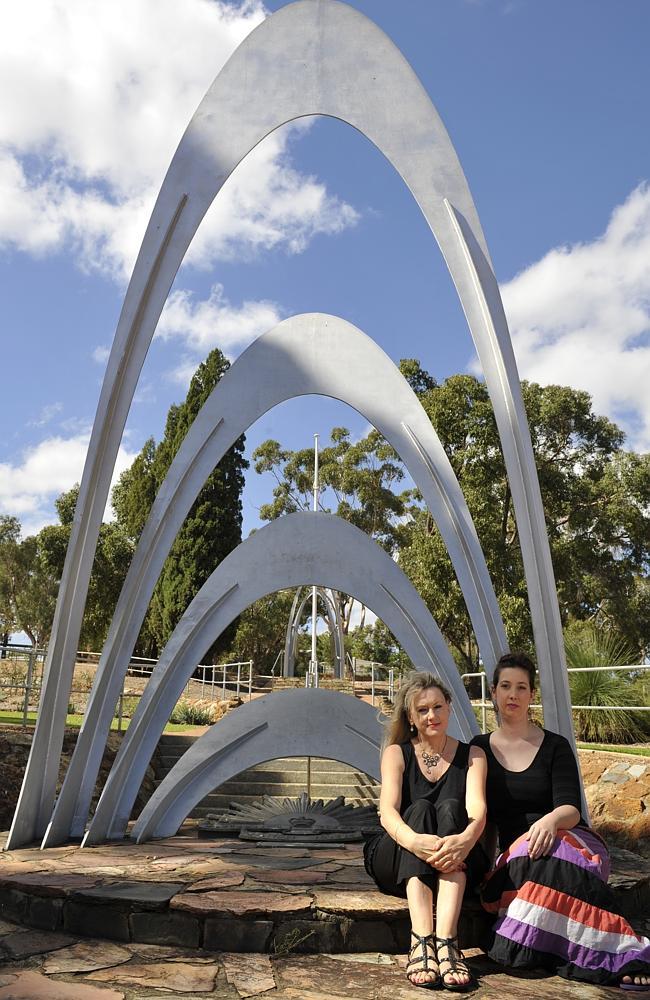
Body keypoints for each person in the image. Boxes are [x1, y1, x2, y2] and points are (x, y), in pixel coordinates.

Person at [472, 651, 650, 991]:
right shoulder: (478, 749)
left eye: (521, 687)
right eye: (506, 686)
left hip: (569, 837)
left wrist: (550, 822)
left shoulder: (555, 745)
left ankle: (623, 954)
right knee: (532, 858)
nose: (513, 694)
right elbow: (480, 816)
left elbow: (570, 808)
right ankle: (573, 948)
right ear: (493, 691)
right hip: (518, 852)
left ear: (532, 695)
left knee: (556, 859)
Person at [364, 670, 489, 991]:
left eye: (437, 707)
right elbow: (388, 813)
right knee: (419, 809)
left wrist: (463, 842)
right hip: (398, 854)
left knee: (450, 807)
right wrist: (415, 841)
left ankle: (447, 941)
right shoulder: (397, 753)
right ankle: (421, 940)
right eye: (422, 710)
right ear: (410, 717)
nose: (431, 715)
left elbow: (477, 811)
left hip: (457, 855)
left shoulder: (473, 756)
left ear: (449, 707)